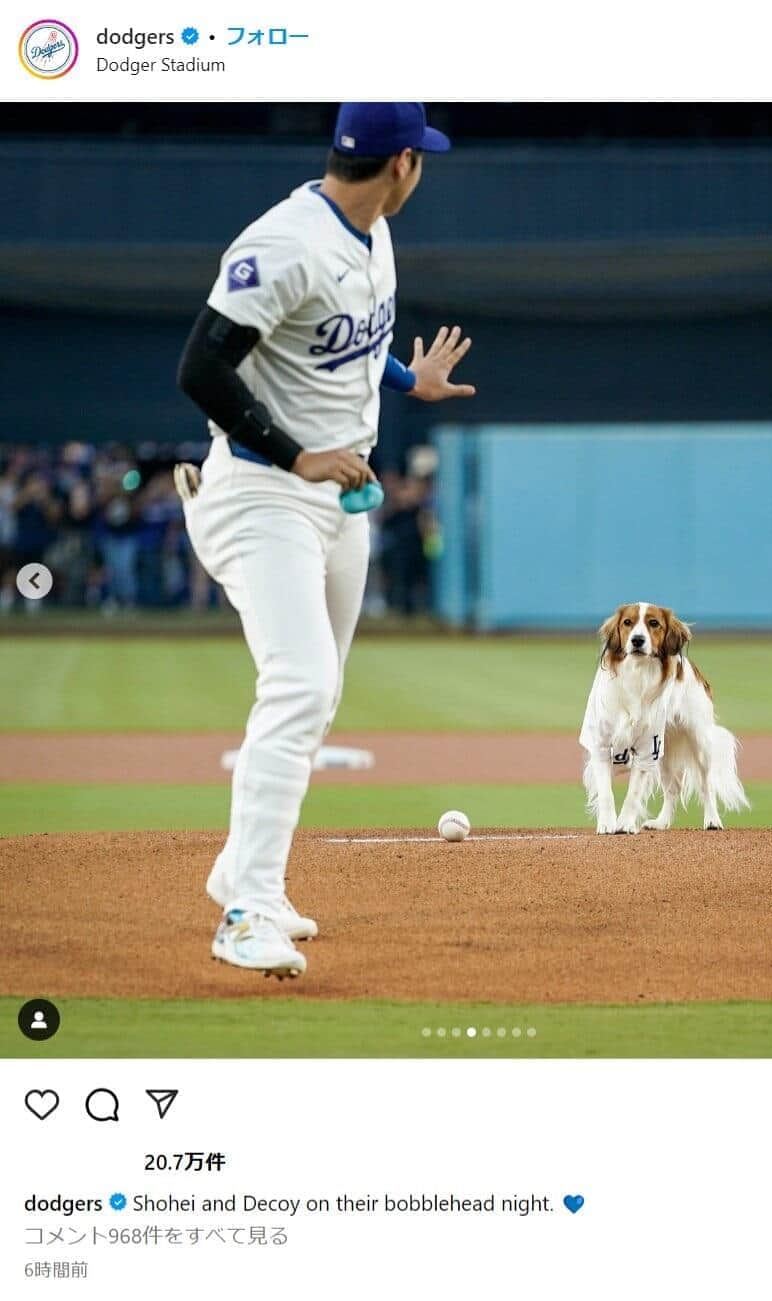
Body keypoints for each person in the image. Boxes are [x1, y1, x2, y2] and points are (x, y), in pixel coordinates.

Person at [176, 103, 475, 978]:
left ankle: (240, 865)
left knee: (323, 690)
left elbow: (343, 340)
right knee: (299, 683)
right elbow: (200, 366)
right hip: (266, 491)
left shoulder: (371, 232)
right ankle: (245, 912)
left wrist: (403, 379)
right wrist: (296, 451)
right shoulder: (286, 240)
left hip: (337, 497)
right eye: (420, 156)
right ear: (402, 167)